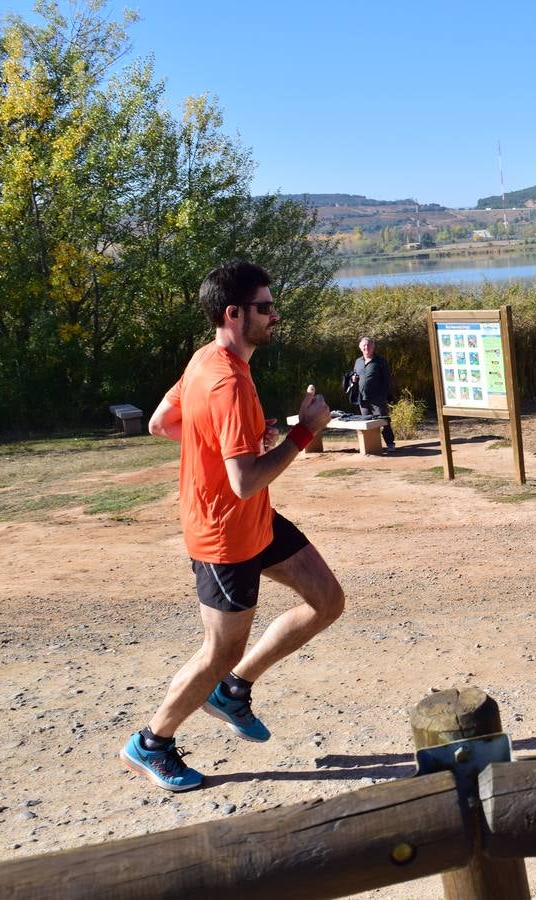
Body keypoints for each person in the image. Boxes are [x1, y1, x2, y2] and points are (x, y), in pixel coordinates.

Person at [122, 261, 345, 792]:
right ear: (234, 313)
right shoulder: (226, 382)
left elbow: (161, 423)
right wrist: (304, 433)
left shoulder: (206, 360)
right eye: (265, 307)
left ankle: (233, 691)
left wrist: (234, 440)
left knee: (327, 600)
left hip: (256, 520)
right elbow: (243, 481)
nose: (275, 315)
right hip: (224, 533)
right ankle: (151, 742)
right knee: (219, 649)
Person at [350, 336, 396, 452]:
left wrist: (385, 395)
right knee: (367, 423)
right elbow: (354, 376)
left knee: (384, 421)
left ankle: (390, 444)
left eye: (369, 345)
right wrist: (353, 379)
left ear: (373, 347)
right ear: (360, 347)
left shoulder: (380, 361)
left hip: (378, 399)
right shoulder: (358, 361)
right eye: (364, 345)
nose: (367, 347)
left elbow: (387, 379)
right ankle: (371, 447)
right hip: (363, 399)